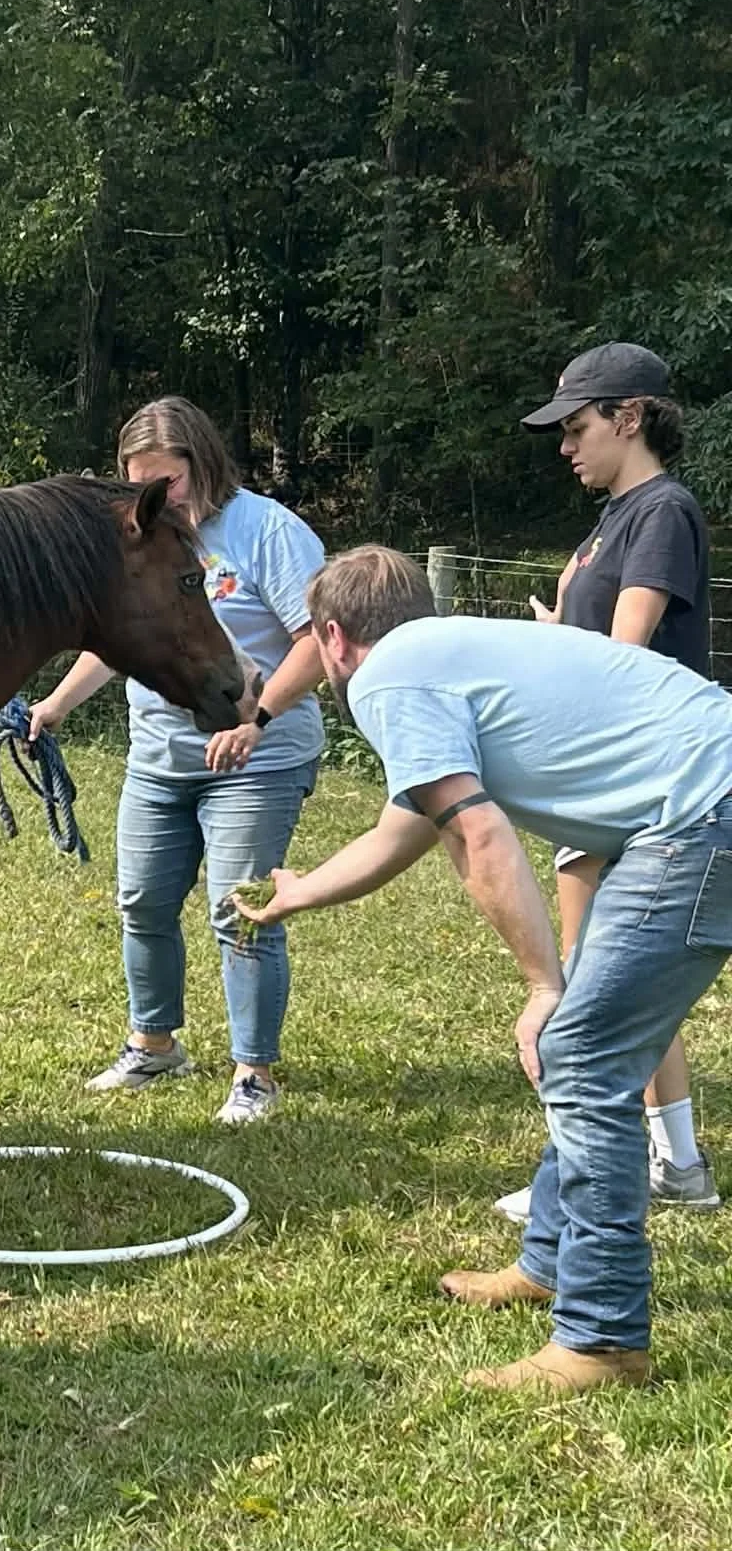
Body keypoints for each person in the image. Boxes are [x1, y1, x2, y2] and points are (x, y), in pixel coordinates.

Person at [239, 545, 732, 1395]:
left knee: (579, 1052)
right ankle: (548, 1260)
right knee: (591, 1047)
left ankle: (604, 1338)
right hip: (694, 806)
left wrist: (543, 987)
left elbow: (478, 832)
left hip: (699, 818)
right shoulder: (444, 654)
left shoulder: (387, 677)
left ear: (332, 635)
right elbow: (411, 827)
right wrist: (299, 893)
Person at [28, 398, 323, 1125]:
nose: (158, 496)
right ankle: (154, 1042)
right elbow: (121, 636)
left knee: (240, 909)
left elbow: (319, 640)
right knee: (144, 903)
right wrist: (57, 703)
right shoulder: (142, 534)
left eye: (169, 480)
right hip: (160, 756)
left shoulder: (267, 531)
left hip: (259, 756)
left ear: (203, 461)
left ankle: (254, 1074)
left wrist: (257, 717)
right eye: (140, 483)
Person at [491, 342, 718, 1221]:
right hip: (612, 780)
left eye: (578, 426)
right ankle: (680, 1166)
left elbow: (625, 659)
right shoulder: (614, 518)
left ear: (630, 417)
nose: (564, 446)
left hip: (636, 781)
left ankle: (582, 1182)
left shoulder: (660, 510)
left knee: (590, 997)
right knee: (618, 989)